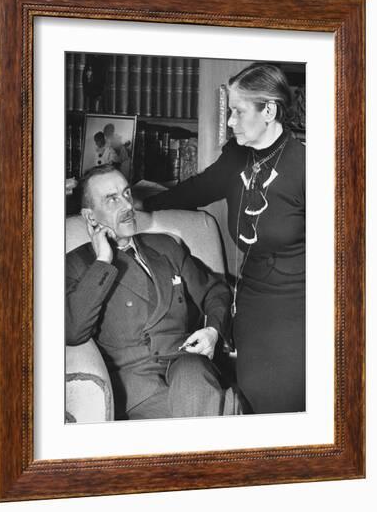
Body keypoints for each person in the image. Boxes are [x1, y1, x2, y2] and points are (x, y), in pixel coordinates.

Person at [140, 63, 306, 414]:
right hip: (253, 305)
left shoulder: (310, 165)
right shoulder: (236, 157)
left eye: (238, 111)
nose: (229, 121)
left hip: (302, 308)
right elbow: (193, 191)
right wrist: (136, 202)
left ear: (269, 111)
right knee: (253, 404)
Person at [66, 164, 237, 420]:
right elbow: (73, 330)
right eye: (112, 199)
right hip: (136, 386)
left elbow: (214, 290)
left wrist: (213, 331)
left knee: (196, 381)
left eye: (126, 194)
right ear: (91, 217)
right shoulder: (78, 264)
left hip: (187, 362)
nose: (126, 206)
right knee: (219, 413)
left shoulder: (166, 246)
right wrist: (103, 260)